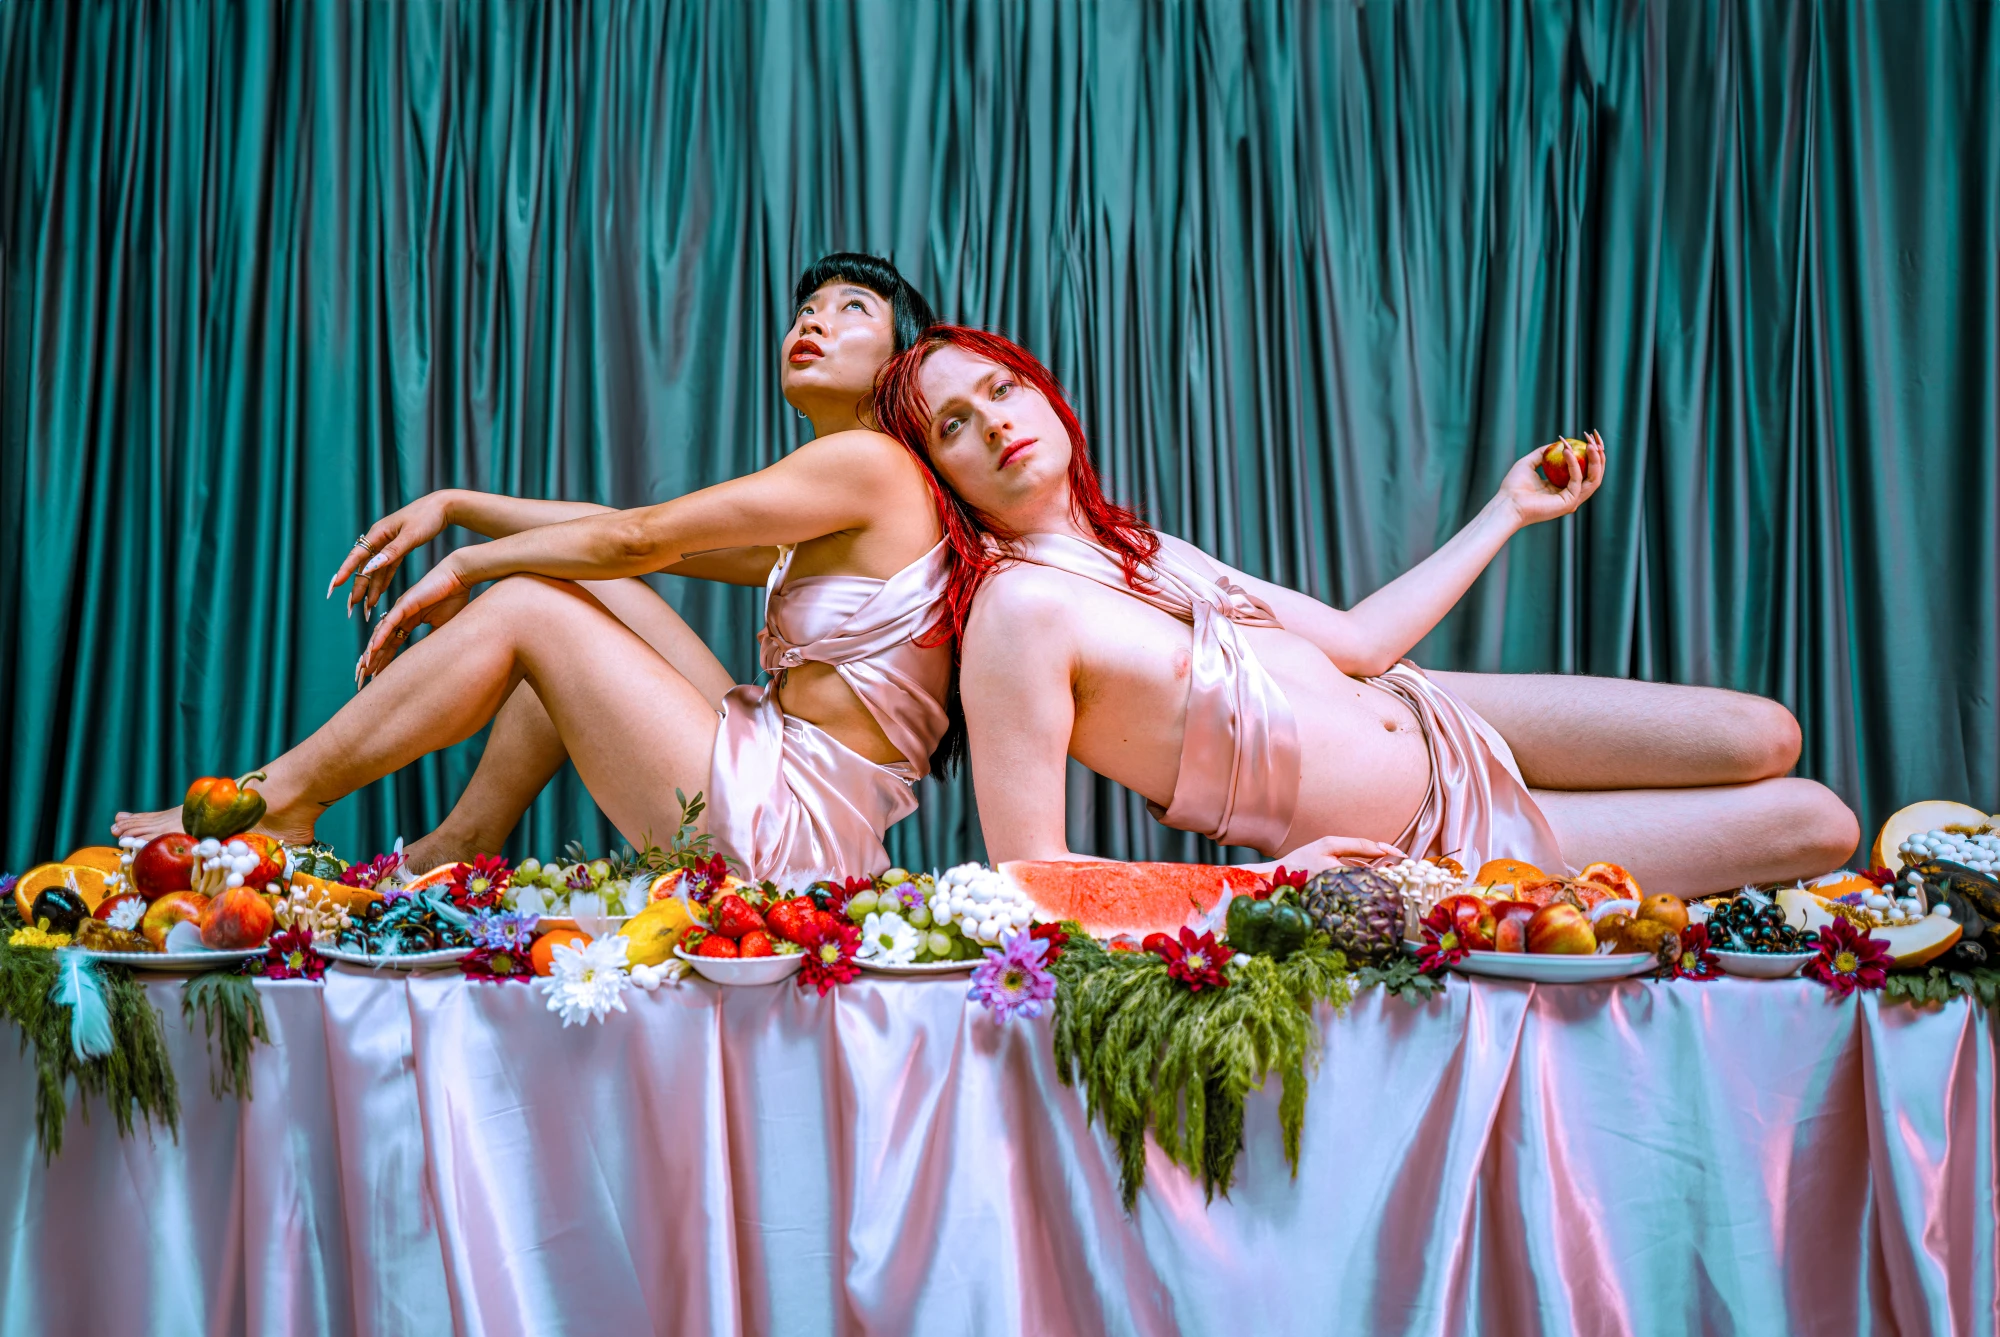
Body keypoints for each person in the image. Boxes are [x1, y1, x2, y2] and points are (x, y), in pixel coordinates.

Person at [873, 326, 1860, 896]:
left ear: (1045, 394)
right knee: (1818, 821)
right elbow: (1031, 872)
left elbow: (1355, 642)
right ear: (937, 474)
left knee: (1762, 730)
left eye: (1003, 387)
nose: (996, 420)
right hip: (1430, 841)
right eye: (954, 424)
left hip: (1437, 710)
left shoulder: (1138, 547)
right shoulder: (1013, 614)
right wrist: (1273, 888)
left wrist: (1506, 510)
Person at [113, 254, 957, 884]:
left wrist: (471, 565)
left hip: (791, 841)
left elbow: (639, 535)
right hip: (785, 778)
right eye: (805, 307)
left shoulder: (871, 464)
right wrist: (456, 505)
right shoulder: (849, 496)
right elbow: (614, 545)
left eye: (852, 309)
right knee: (583, 591)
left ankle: (274, 800)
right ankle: (449, 853)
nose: (813, 320)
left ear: (903, 362)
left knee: (532, 605)